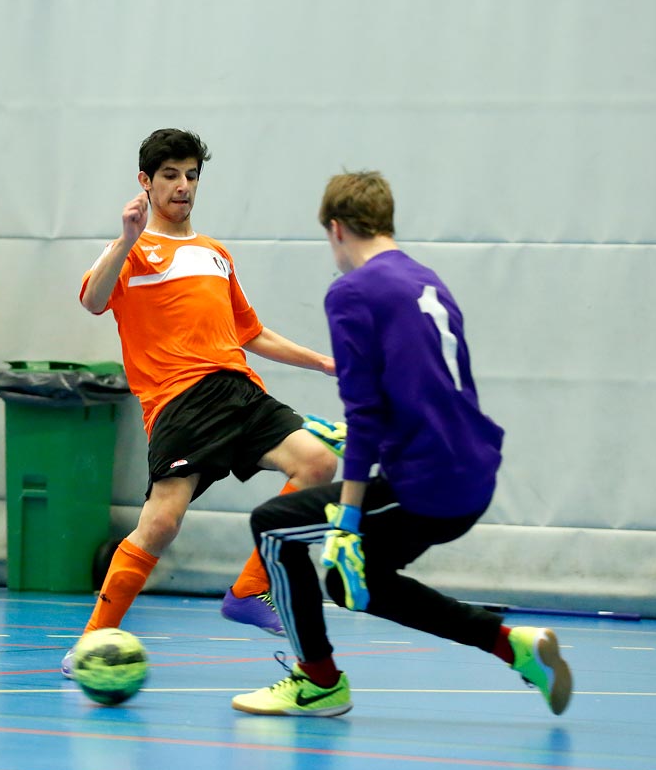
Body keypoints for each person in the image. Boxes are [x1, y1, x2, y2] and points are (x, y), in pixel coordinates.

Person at [231, 170, 572, 717]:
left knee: (272, 526)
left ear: (336, 229)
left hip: (427, 482)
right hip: (472, 471)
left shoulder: (351, 292)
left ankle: (318, 683)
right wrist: (369, 438)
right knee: (351, 582)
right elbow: (433, 388)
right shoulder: (426, 281)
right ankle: (512, 645)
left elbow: (365, 413)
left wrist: (345, 521)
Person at [63, 129, 339, 675]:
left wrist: (323, 362)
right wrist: (124, 239)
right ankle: (92, 641)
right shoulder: (133, 249)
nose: (183, 185)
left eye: (191, 175)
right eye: (170, 175)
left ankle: (248, 592)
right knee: (161, 525)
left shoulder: (215, 254)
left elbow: (251, 333)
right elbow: (94, 301)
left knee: (318, 462)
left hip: (237, 389)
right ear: (145, 182)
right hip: (179, 401)